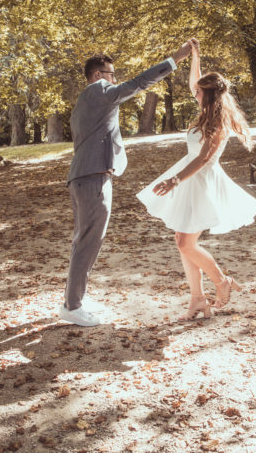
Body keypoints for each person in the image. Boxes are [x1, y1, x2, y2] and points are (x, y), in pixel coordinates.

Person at [59, 41, 193, 326]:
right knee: (88, 241)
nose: (115, 80)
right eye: (111, 75)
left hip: (84, 177)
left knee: (83, 240)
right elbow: (138, 83)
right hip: (93, 177)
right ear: (97, 76)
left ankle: (74, 298)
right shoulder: (99, 90)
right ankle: (72, 307)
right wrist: (176, 59)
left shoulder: (86, 101)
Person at [137, 39, 256, 320]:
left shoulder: (218, 122)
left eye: (200, 92)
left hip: (201, 182)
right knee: (183, 241)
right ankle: (197, 299)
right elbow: (195, 81)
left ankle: (221, 281)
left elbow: (204, 158)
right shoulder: (206, 109)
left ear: (211, 96)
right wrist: (195, 55)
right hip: (189, 180)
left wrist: (174, 181)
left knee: (184, 243)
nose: (195, 93)